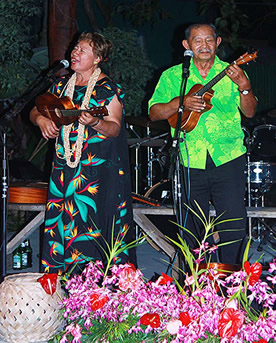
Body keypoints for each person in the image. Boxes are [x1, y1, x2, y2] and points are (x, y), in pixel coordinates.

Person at [149, 23, 257, 265]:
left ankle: (232, 285)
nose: (204, 45)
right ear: (187, 46)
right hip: (189, 158)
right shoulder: (173, 76)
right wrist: (180, 103)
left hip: (228, 157)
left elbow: (250, 113)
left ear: (218, 42)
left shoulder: (234, 72)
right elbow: (154, 112)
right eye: (197, 41)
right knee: (190, 230)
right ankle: (196, 288)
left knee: (232, 226)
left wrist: (245, 87)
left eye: (209, 40)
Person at [30, 32, 136, 274]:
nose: (74, 53)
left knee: (94, 222)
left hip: (98, 172)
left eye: (82, 50)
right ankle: (60, 283)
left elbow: (115, 127)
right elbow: (36, 109)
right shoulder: (60, 85)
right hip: (64, 167)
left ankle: (99, 287)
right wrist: (40, 121)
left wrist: (95, 123)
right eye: (75, 48)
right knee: (63, 220)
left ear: (97, 58)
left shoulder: (106, 88)